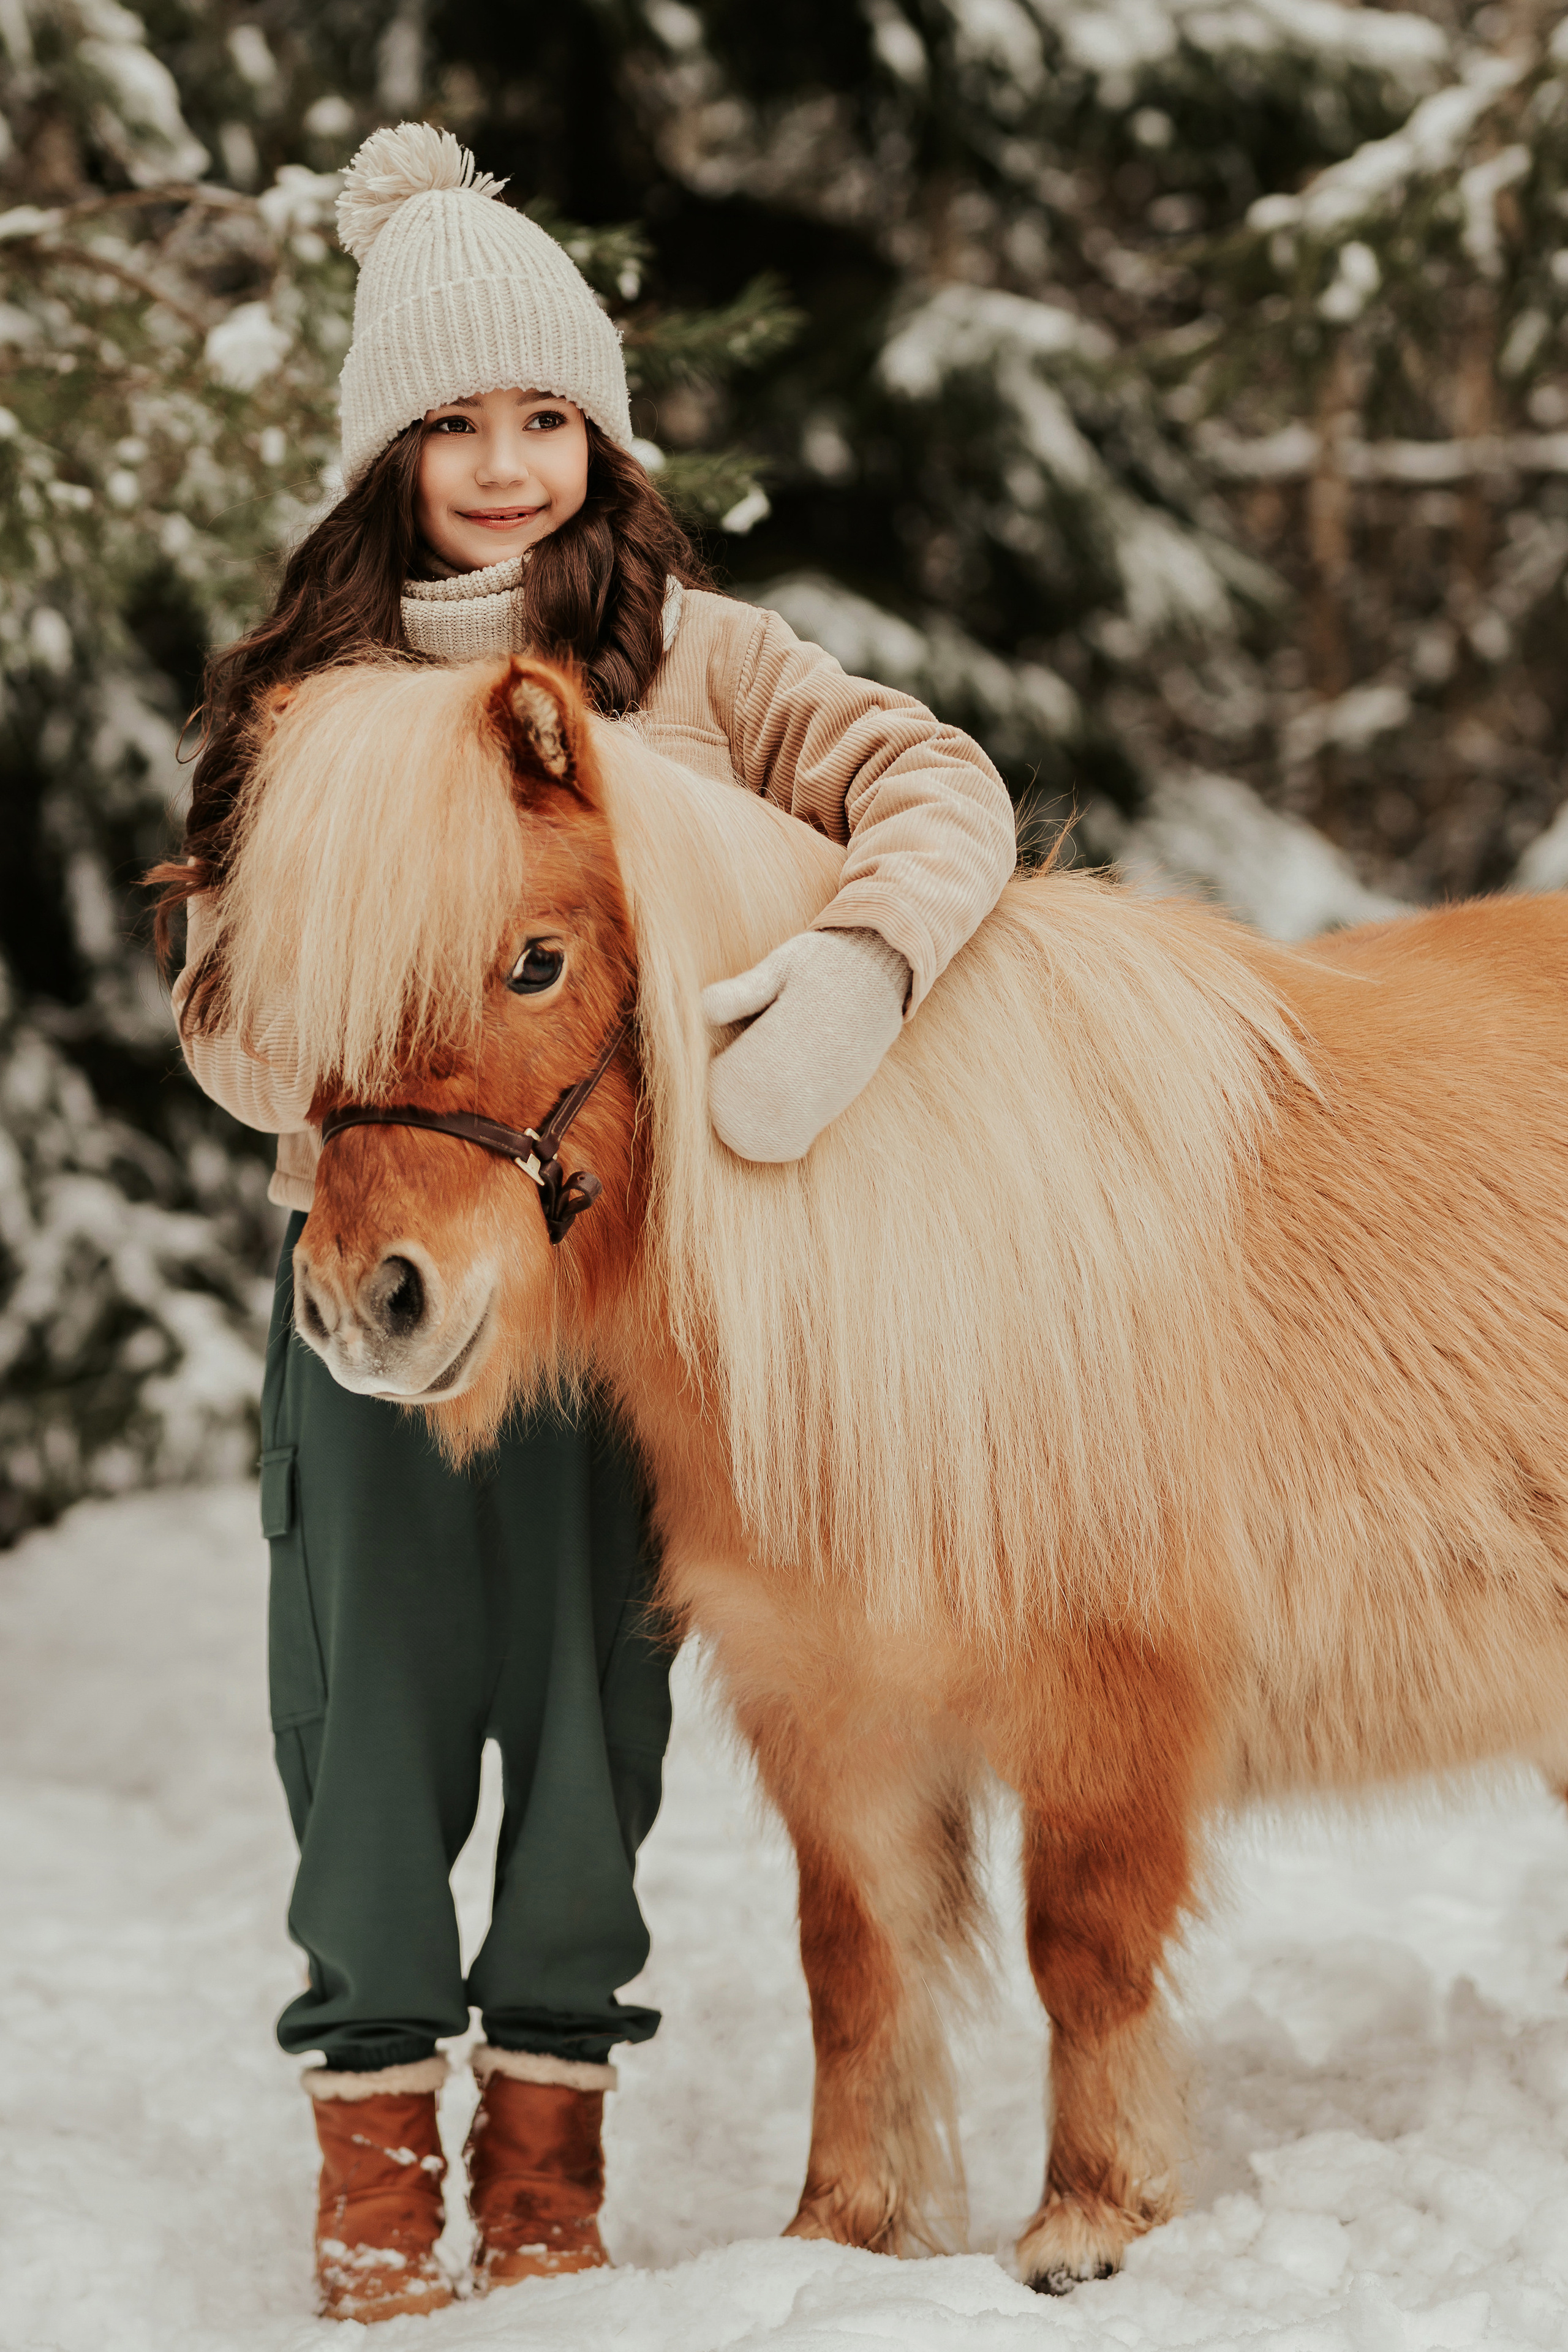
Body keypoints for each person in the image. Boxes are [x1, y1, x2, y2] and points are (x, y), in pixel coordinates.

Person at [156, 121, 1016, 2323]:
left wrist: (859, 968)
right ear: (391, 457)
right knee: (366, 1720)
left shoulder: (705, 669)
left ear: (602, 438)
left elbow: (944, 787)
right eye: (461, 426)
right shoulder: (304, 713)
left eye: (550, 418)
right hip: (384, 1280)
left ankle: (545, 2152)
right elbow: (221, 1010)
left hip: (642, 1308)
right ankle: (372, 2147)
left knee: (594, 1725)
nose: (514, 465)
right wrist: (337, 1042)